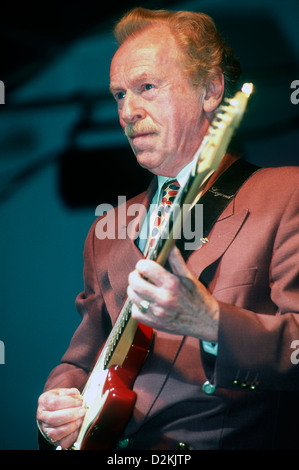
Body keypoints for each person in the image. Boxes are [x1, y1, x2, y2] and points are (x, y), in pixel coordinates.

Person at [36, 8, 299, 450]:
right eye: (119, 95)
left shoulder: (286, 193)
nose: (127, 112)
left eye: (147, 88)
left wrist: (214, 323)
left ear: (211, 89)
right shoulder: (109, 229)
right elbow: (80, 361)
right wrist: (56, 408)